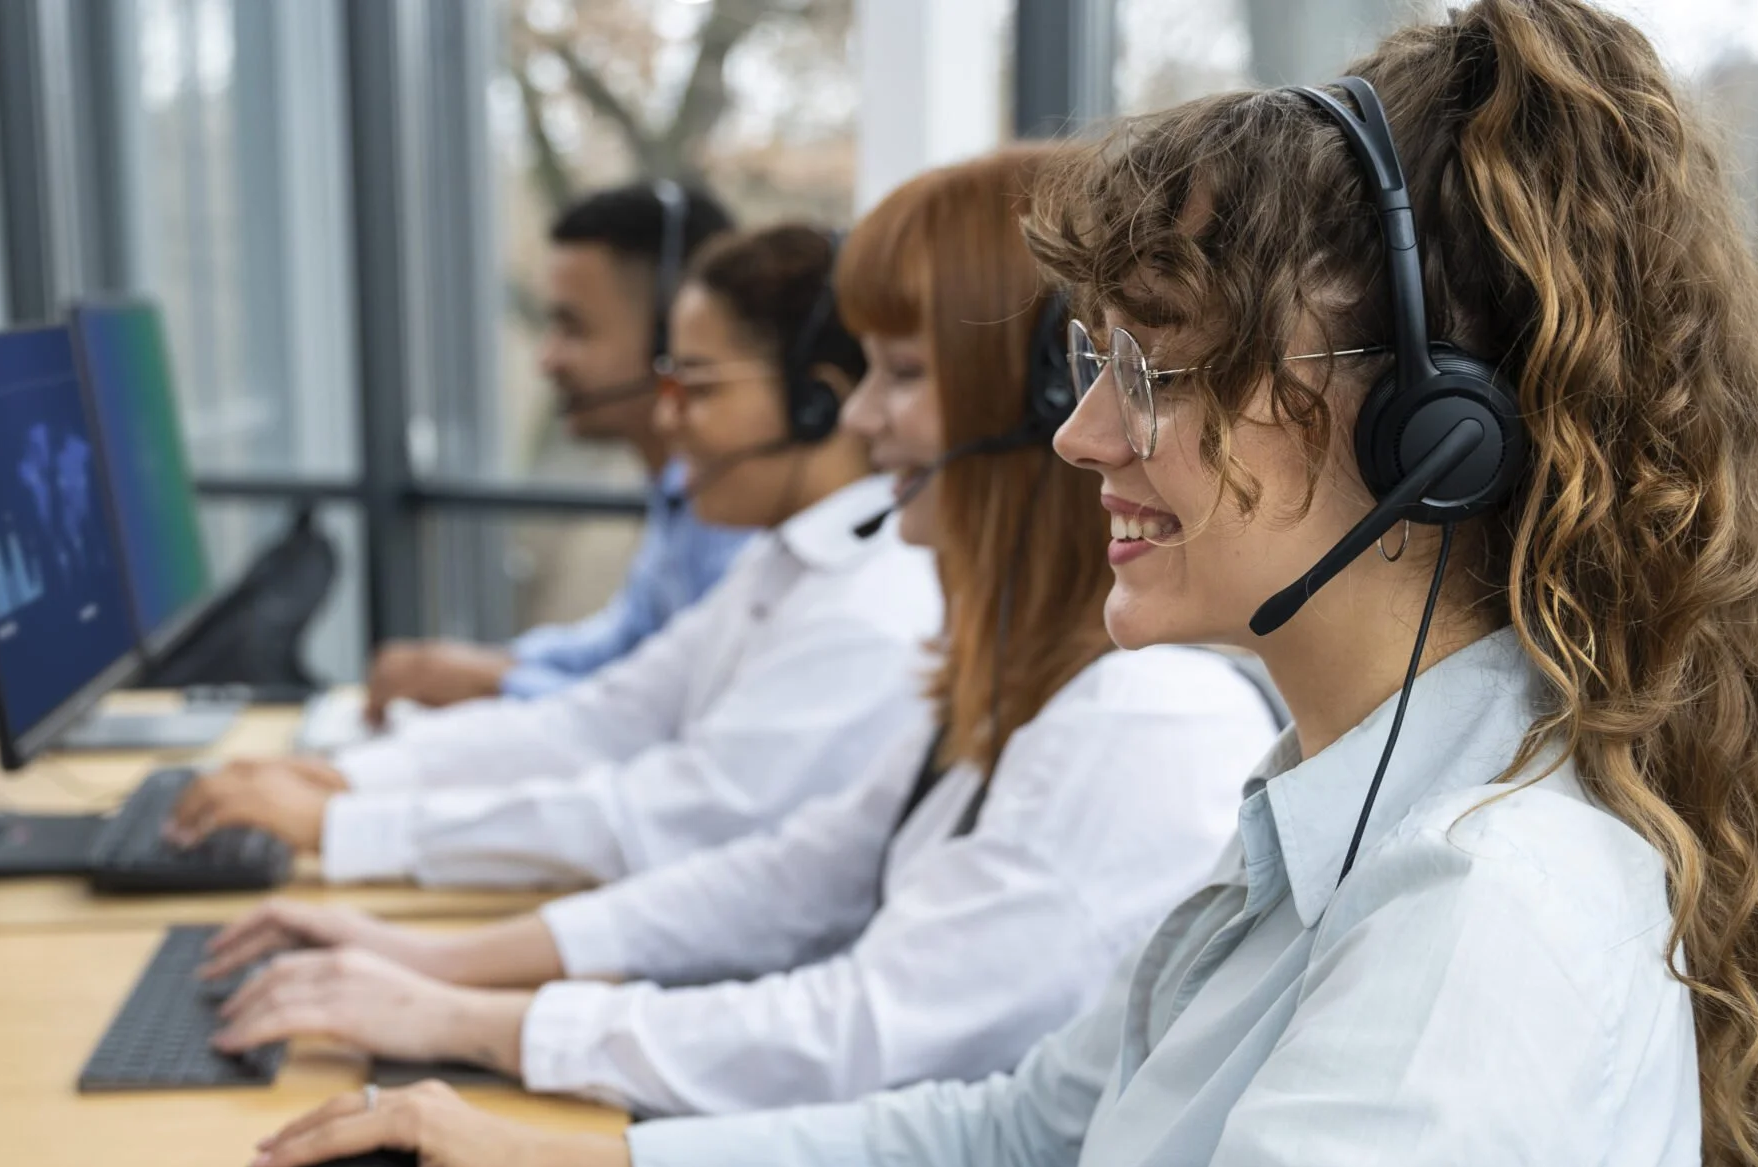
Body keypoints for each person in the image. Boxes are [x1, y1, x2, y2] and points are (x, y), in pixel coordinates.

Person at [158, 3, 1758, 1167]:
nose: (1083, 438)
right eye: (1094, 367)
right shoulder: (1348, 795)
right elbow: (1024, 1134)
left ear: (1433, 433)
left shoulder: (1482, 928)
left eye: (1160, 373)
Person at [191, 149, 1280, 1118]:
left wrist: (468, 1014)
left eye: (899, 377)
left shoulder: (1129, 722)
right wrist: (432, 966)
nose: (858, 420)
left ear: (1035, 411)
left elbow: (859, 1023)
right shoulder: (1011, 679)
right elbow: (787, 874)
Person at [166, 224, 941, 887]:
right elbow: (598, 722)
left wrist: (347, 823)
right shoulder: (784, 561)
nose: (669, 422)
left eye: (698, 388)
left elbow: (669, 817)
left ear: (817, 403)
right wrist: (345, 779)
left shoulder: (866, 610)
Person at [347, 181, 753, 727]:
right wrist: (489, 665)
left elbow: (668, 717)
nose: (547, 360)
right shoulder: (679, 492)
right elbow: (625, 644)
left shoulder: (739, 519)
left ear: (671, 339)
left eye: (572, 328)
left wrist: (495, 680)